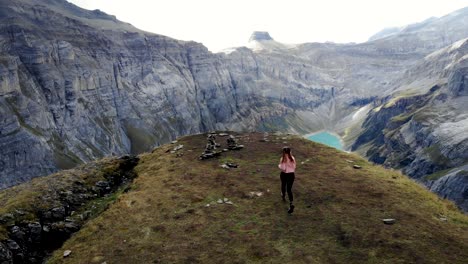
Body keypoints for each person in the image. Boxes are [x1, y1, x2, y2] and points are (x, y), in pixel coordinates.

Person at [278, 146, 296, 214]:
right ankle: (291, 203)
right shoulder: (292, 158)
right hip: (291, 175)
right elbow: (294, 167)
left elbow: (283, 168)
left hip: (284, 174)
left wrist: (279, 165)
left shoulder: (282, 159)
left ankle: (283, 195)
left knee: (283, 185)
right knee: (289, 189)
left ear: (284, 152)